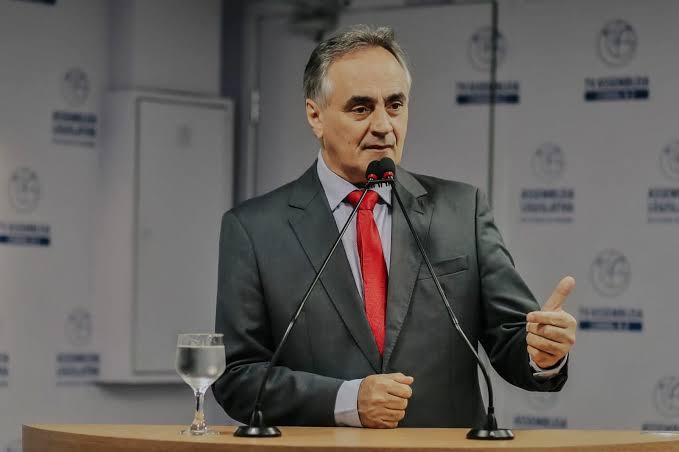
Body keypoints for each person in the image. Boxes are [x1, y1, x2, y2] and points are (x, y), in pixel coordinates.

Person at [213, 25, 576, 428]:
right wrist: (348, 400)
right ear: (315, 115)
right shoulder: (255, 230)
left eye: (395, 105)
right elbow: (237, 378)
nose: (384, 125)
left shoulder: (463, 211)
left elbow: (512, 343)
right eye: (361, 108)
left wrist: (542, 353)